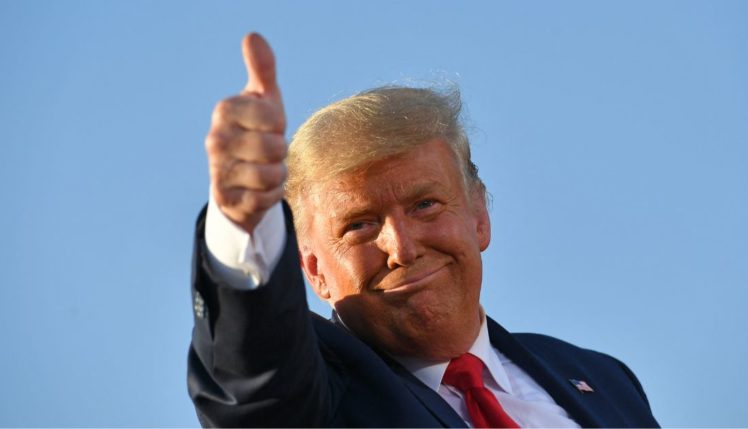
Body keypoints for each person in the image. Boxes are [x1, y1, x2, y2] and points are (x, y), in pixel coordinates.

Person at [187, 33, 660, 428]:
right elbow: (255, 377)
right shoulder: (313, 395)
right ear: (313, 270)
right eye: (359, 225)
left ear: (479, 215)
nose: (402, 247)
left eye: (425, 204)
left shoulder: (604, 379)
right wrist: (243, 224)